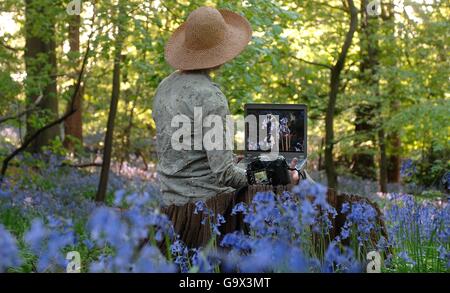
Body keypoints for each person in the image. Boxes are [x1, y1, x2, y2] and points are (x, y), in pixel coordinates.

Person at [153, 6, 298, 247]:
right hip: (206, 208)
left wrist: (230, 158)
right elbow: (225, 175)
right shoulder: (210, 96)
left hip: (171, 202)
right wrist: (279, 177)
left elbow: (184, 150)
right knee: (292, 182)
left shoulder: (164, 87)